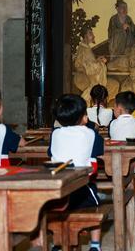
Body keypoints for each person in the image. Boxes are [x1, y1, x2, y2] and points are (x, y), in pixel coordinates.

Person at [48, 94, 104, 251]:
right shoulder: (91, 134)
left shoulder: (55, 134)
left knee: (56, 211)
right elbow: (98, 152)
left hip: (58, 190)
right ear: (84, 117)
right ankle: (95, 245)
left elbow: (50, 153)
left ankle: (57, 243)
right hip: (82, 188)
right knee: (97, 204)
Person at [73, 26, 120, 102]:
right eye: (90, 34)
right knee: (113, 85)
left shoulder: (86, 48)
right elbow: (89, 68)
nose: (93, 36)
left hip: (91, 76)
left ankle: (101, 101)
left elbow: (90, 63)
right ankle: (98, 102)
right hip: (86, 78)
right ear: (85, 36)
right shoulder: (83, 49)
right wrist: (100, 62)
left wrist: (98, 60)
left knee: (114, 84)